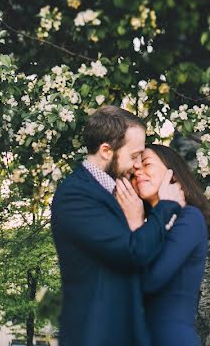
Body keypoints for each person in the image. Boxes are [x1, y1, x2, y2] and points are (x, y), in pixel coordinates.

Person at [50, 106, 186, 346]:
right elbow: (131, 252)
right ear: (106, 151)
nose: (137, 165)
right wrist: (166, 206)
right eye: (134, 156)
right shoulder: (76, 196)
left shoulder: (118, 192)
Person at [116, 142, 210, 346]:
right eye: (134, 173)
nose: (139, 172)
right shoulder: (146, 225)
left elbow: (150, 281)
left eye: (147, 164)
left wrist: (136, 226)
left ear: (173, 172)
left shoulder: (189, 218)